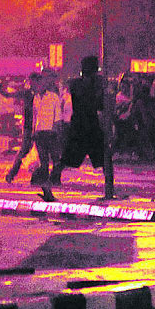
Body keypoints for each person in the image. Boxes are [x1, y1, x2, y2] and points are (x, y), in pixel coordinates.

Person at [42, 55, 105, 201]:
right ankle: (109, 190)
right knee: (104, 159)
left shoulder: (75, 84)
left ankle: (50, 183)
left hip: (78, 126)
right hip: (90, 126)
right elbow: (98, 104)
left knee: (67, 159)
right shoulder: (92, 85)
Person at [0, 72, 39, 183]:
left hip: (39, 125)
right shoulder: (27, 93)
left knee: (39, 151)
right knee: (25, 150)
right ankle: (12, 174)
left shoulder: (40, 93)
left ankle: (35, 175)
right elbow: (8, 95)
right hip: (29, 126)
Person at [30, 69, 63, 189]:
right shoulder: (36, 98)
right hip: (40, 132)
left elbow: (58, 116)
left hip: (51, 132)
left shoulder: (53, 97)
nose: (38, 86)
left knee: (55, 158)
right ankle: (45, 180)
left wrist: (56, 130)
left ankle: (56, 179)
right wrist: (34, 131)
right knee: (43, 159)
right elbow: (35, 116)